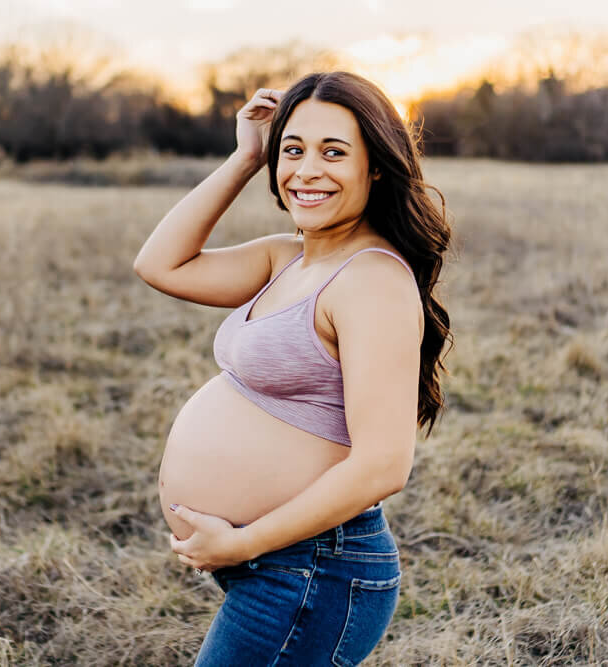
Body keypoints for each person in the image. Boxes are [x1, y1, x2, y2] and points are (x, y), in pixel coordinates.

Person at [133, 71, 451, 666]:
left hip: (313, 569)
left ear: (375, 167)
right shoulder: (287, 256)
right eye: (292, 150)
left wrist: (241, 542)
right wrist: (245, 156)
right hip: (283, 564)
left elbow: (384, 464)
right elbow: (160, 264)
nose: (306, 171)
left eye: (334, 152)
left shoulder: (371, 280)